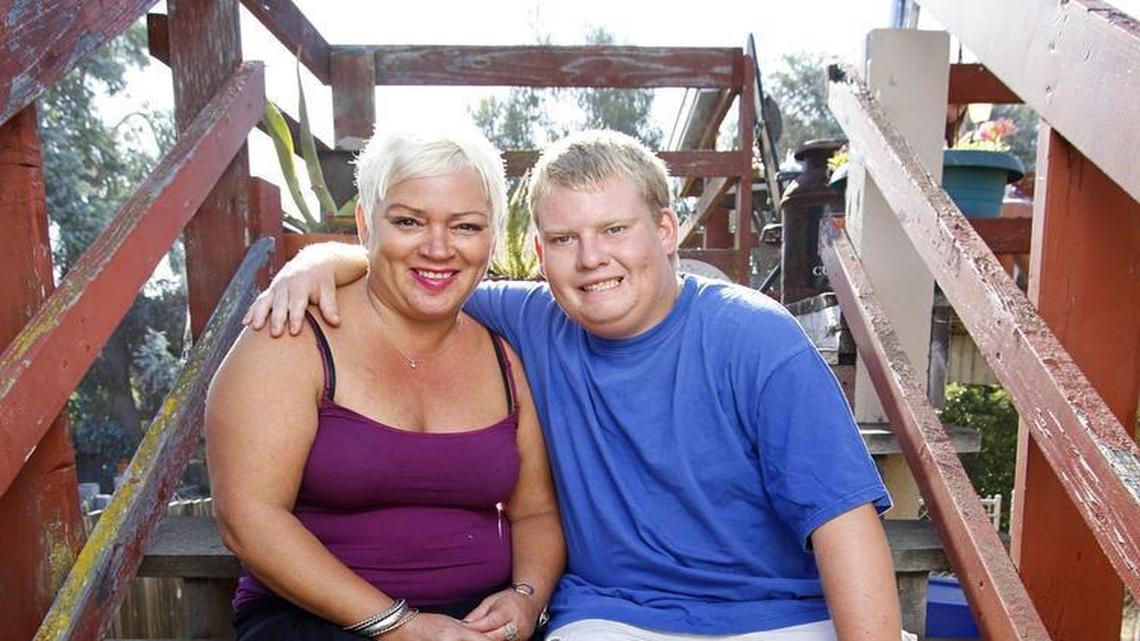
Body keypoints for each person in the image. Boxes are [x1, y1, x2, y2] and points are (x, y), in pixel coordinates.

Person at [246, 129, 904, 641]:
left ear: (667, 230)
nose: (592, 260)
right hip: (617, 618)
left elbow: (842, 524)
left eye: (616, 229)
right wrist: (321, 261)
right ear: (538, 253)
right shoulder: (529, 321)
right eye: (565, 238)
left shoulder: (757, 339)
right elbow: (423, 267)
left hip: (778, 615)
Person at [207, 126, 564, 641]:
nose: (438, 249)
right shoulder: (290, 336)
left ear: (492, 235)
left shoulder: (503, 353)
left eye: (465, 226)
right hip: (317, 620)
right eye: (408, 221)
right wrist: (401, 626)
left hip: (475, 625)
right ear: (364, 224)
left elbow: (535, 511)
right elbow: (248, 517)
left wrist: (525, 598)